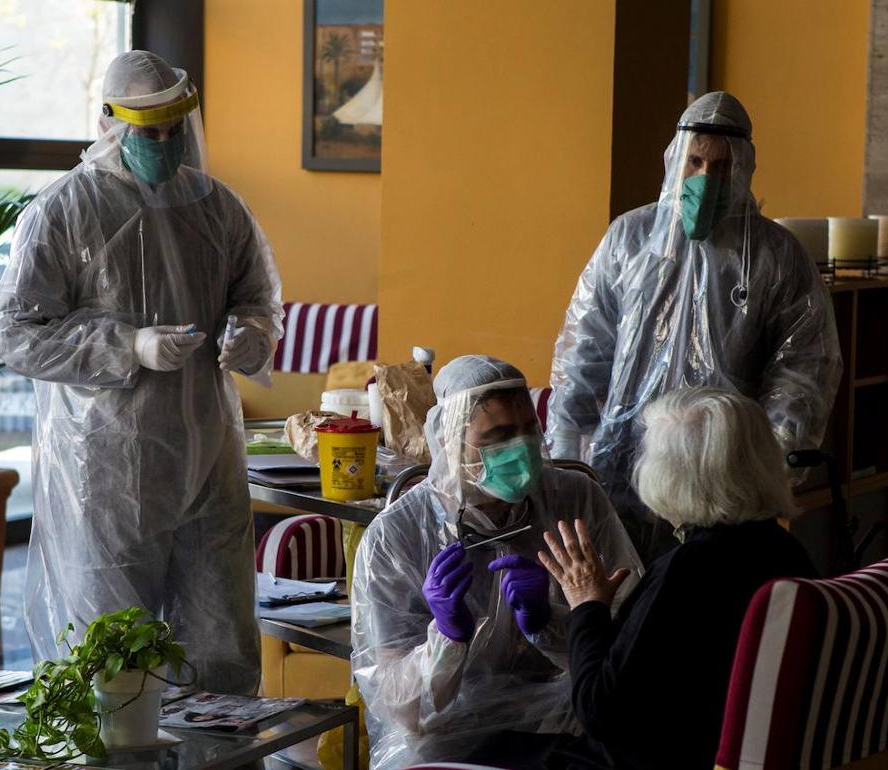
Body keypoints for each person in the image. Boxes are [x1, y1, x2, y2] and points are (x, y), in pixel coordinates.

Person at [0, 50, 282, 695]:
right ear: (109, 124)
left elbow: (257, 297)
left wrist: (250, 336)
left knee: (221, 641)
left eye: (173, 129)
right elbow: (18, 332)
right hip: (108, 470)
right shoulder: (65, 210)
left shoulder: (217, 207)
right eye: (147, 131)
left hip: (208, 456)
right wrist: (128, 347)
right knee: (113, 659)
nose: (163, 144)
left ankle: (220, 759)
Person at [547, 91, 842, 560]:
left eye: (723, 167)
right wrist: (565, 454)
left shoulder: (777, 257)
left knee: (697, 607)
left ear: (744, 169)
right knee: (619, 604)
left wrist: (762, 470)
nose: (707, 178)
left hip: (719, 486)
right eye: (696, 161)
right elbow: (585, 351)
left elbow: (803, 373)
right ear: (675, 161)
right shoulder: (629, 240)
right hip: (619, 469)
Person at [351, 355, 642, 770]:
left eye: (528, 430)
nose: (521, 449)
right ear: (450, 439)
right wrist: (446, 639)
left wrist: (555, 622)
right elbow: (395, 705)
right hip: (447, 732)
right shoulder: (397, 534)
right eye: (499, 435)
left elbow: (627, 644)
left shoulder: (573, 499)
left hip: (561, 718)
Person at [539, 388, 817, 769]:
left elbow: (600, 711)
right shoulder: (785, 549)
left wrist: (586, 605)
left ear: (668, 477)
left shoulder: (689, 570)